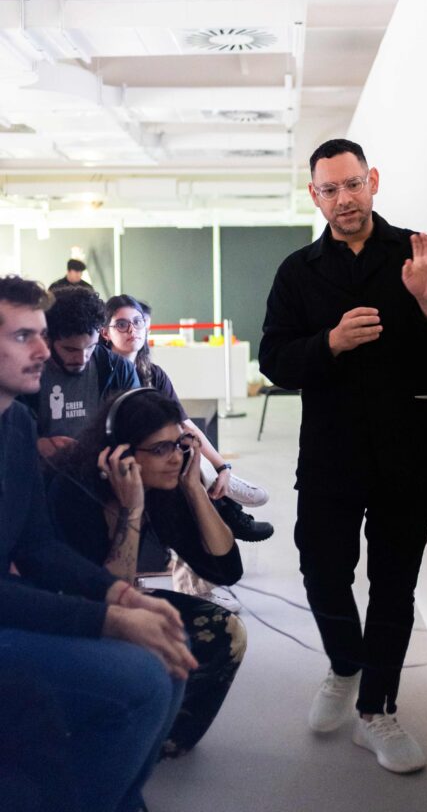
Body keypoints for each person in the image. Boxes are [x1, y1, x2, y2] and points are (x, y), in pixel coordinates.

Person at [259, 138, 427, 774]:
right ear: (314, 195)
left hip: (409, 449)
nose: (343, 199)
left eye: (352, 184)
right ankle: (345, 665)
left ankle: (377, 711)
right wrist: (331, 342)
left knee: (395, 585)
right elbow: (274, 360)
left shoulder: (419, 253)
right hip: (330, 451)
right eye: (330, 189)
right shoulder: (297, 271)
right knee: (321, 570)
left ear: (372, 180)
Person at [0, 274, 196, 812]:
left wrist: (123, 596)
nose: (43, 352)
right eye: (23, 337)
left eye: (42, 335)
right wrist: (108, 619)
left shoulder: (16, 426)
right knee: (143, 679)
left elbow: (38, 546)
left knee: (167, 656)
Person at [49, 388, 247, 759]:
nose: (175, 458)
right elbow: (107, 600)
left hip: (118, 600)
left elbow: (227, 569)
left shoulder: (166, 484)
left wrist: (193, 489)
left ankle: (162, 741)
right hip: (70, 616)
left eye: (179, 445)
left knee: (226, 632)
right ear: (121, 451)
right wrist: (131, 510)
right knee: (132, 648)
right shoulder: (73, 490)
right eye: (160, 449)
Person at [101, 294, 274, 544]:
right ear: (105, 333)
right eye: (121, 324)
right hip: (125, 456)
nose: (132, 330)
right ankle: (229, 513)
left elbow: (184, 422)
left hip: (159, 451)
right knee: (181, 456)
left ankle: (225, 499)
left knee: (186, 445)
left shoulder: (153, 373)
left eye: (137, 322)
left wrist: (222, 466)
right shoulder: (102, 373)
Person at [19, 286, 138, 460]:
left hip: (100, 471)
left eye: (91, 347)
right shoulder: (24, 372)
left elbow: (136, 429)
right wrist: (35, 446)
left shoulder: (119, 370)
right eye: (70, 349)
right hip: (41, 471)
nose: (82, 358)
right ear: (48, 339)